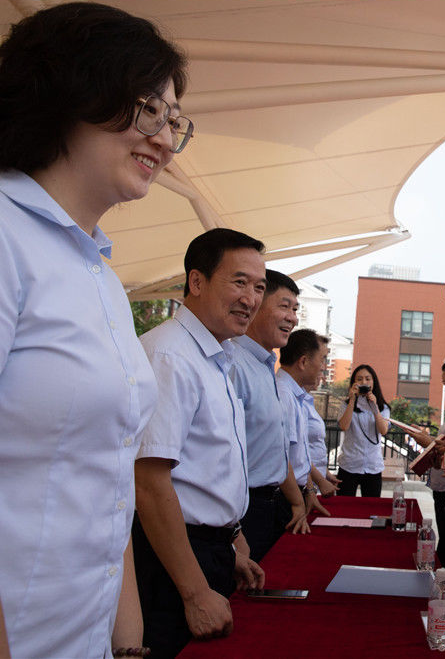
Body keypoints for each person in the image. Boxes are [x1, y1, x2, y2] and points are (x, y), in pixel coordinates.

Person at [0, 2, 187, 657]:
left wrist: (129, 641)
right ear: (68, 92)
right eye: (148, 110)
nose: (166, 140)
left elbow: (108, 480)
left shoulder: (100, 277)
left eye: (175, 121)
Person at [133, 228, 268, 658]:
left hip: (209, 550)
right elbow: (149, 483)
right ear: (196, 281)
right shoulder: (171, 356)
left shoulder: (214, 356)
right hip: (171, 560)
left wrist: (229, 547)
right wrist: (193, 592)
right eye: (239, 282)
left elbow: (203, 469)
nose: (251, 298)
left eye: (259, 287)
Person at [231, 269, 310, 563]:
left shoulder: (264, 366)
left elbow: (276, 450)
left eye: (295, 309)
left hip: (268, 505)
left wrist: (296, 502)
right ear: (256, 303)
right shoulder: (233, 364)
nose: (292, 317)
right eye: (284, 306)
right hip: (241, 512)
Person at [276, 328, 339, 518]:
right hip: (286, 497)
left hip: (299, 492)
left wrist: (310, 490)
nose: (323, 367)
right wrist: (297, 502)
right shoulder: (284, 395)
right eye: (321, 360)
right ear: (303, 361)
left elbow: (300, 456)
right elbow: (282, 457)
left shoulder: (296, 396)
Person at [336, 364, 391, 497]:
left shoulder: (383, 407)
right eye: (359, 379)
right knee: (345, 509)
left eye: (367, 379)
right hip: (349, 465)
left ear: (373, 382)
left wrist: (374, 406)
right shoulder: (346, 404)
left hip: (373, 467)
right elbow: (343, 426)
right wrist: (352, 400)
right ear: (354, 383)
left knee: (371, 510)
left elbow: (383, 430)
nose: (364, 382)